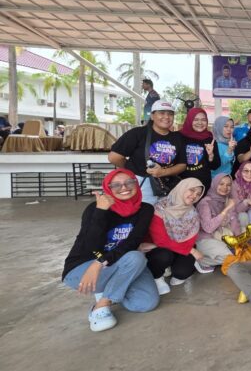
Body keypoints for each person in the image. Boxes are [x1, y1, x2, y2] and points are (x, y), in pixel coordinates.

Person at [62, 169, 158, 332]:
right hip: (86, 268)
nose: (124, 187)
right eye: (116, 185)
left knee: (145, 303)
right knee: (136, 257)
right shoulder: (95, 208)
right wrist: (101, 211)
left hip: (120, 263)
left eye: (129, 182)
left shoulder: (145, 209)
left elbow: (132, 242)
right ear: (108, 188)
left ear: (136, 184)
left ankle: (112, 289)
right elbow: (89, 245)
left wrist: (102, 262)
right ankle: (101, 305)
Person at [108, 100, 187, 205]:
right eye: (162, 113)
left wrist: (162, 172)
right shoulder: (137, 133)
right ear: (152, 116)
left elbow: (182, 165)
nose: (167, 117)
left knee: (164, 213)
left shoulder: (178, 137)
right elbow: (114, 157)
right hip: (142, 183)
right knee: (145, 212)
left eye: (170, 114)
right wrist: (132, 170)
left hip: (168, 184)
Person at [145, 178, 206, 295]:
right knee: (164, 256)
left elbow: (190, 240)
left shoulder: (192, 212)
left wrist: (188, 249)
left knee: (182, 273)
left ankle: (170, 267)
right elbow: (161, 241)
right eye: (192, 190)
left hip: (181, 248)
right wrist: (191, 250)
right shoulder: (160, 208)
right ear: (182, 188)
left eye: (198, 194)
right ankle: (157, 276)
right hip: (159, 248)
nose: (194, 196)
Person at [196, 174, 240, 269]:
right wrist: (226, 209)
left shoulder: (227, 199)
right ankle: (202, 261)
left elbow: (234, 221)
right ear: (215, 184)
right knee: (230, 258)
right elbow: (208, 228)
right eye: (221, 184)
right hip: (206, 238)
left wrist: (239, 240)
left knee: (241, 250)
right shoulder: (205, 203)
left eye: (228, 185)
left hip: (220, 234)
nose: (225, 187)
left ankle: (227, 250)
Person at [179, 108, 220, 192]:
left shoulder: (210, 139)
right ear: (189, 120)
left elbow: (215, 166)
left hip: (202, 185)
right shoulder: (179, 137)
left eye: (203, 120)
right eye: (196, 119)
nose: (200, 123)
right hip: (181, 184)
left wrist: (211, 155)